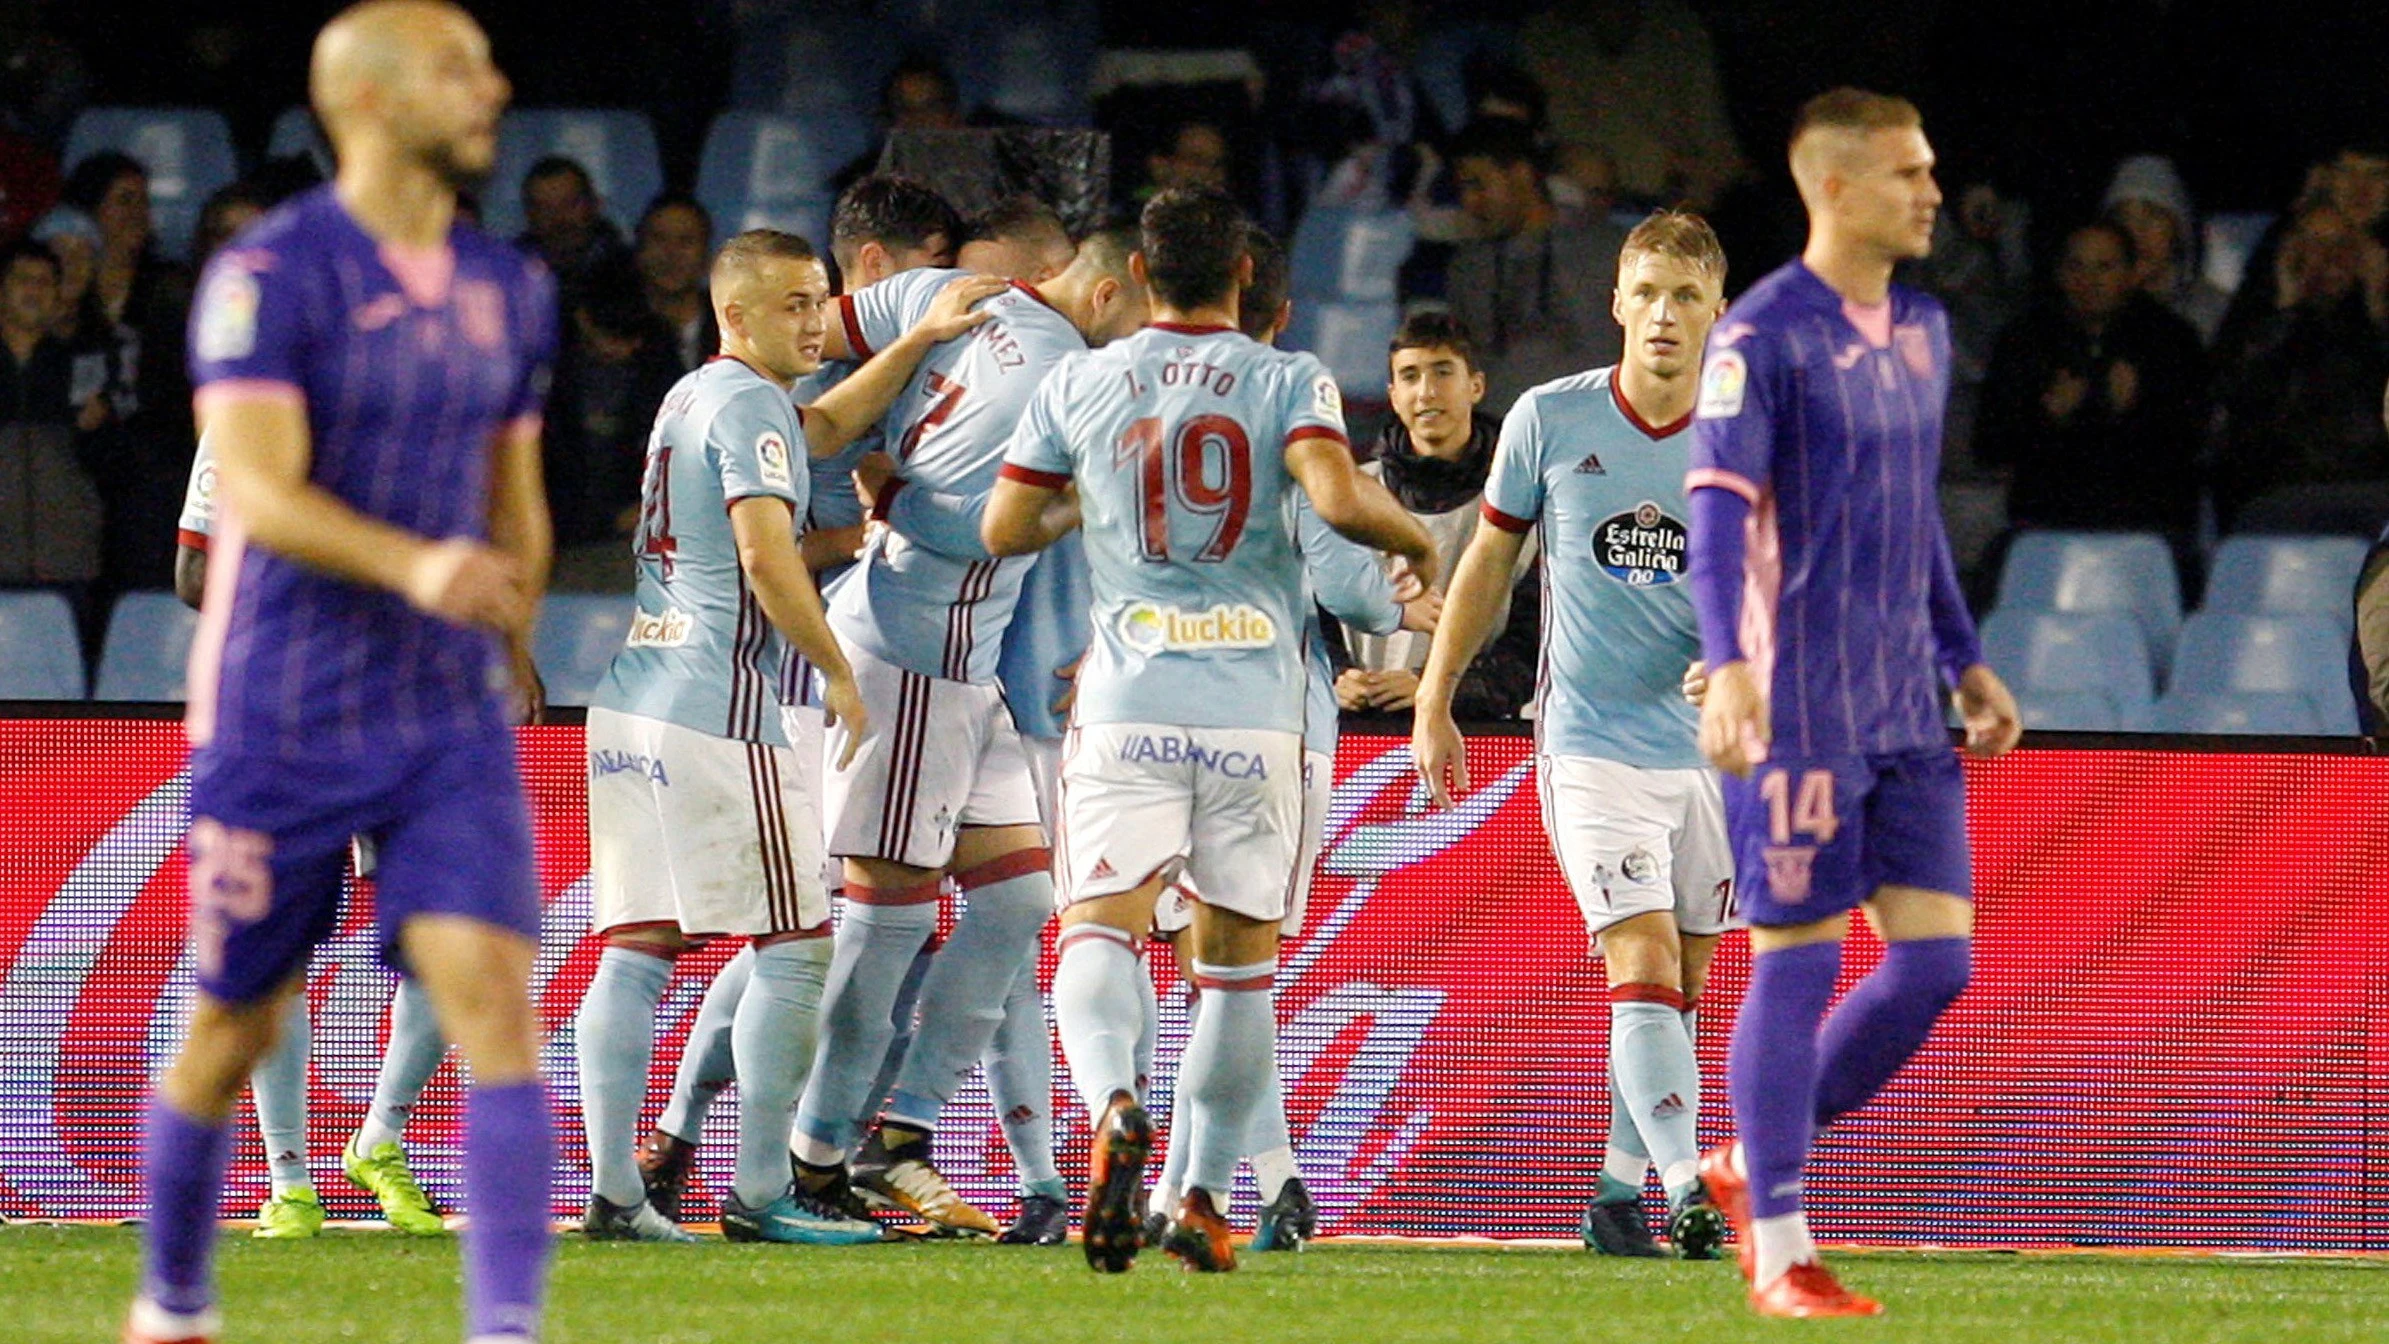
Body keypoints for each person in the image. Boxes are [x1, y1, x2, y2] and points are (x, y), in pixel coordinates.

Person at [124, 4, 562, 1342]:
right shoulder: (272, 272)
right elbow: (256, 487)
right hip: (283, 707)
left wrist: (506, 608)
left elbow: (517, 498)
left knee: (492, 999)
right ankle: (175, 1305)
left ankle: (505, 1328)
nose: (491, 86)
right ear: (365, 101)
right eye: (456, 67)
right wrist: (415, 566)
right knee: (231, 1029)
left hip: (443, 715)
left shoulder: (513, 285)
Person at [981, 185, 1438, 1273]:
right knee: (1236, 970)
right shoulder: (1288, 378)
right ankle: (1196, 1196)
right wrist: (1410, 531)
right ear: (1243, 276)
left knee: (1097, 926)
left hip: (1128, 698)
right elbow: (1335, 500)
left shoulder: (1085, 379)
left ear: (1138, 276)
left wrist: (1086, 499)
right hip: (1257, 714)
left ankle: (1109, 1104)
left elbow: (1003, 527)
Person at [574, 231, 999, 1245]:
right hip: (722, 708)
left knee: (638, 949)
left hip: (634, 692)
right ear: (738, 313)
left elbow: (820, 426)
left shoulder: (696, 394)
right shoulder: (747, 404)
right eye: (797, 304)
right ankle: (762, 1194)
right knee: (799, 950)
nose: (818, 320)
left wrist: (916, 340)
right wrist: (841, 673)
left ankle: (617, 1196)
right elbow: (769, 556)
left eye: (822, 301)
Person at [1680, 88, 2021, 1318]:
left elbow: (1911, 509)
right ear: (1832, 187)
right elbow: (1714, 517)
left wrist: (1962, 657)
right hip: (1796, 708)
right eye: (1905, 173)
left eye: (1928, 169)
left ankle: (1743, 1158)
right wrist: (1726, 666)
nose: (1931, 191)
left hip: (1900, 707)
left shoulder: (1924, 328)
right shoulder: (1759, 337)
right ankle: (1780, 1248)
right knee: (1795, 962)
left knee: (1934, 966)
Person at [783, 220, 1149, 1239]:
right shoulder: (1070, 379)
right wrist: (1076, 505)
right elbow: (966, 523)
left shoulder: (946, 292)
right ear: (1114, 294)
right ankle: (811, 1160)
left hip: (962, 668)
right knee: (884, 923)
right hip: (913, 664)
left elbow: (809, 341)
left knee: (1016, 899)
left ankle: (900, 1134)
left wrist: (872, 456)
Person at [1415, 210, 1738, 1264]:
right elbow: (1486, 569)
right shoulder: (1550, 420)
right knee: (1637, 965)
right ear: (1615, 302)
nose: (1662, 314)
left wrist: (1744, 661)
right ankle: (1692, 1187)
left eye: (1684, 295)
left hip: (1709, 756)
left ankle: (1615, 1194)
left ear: (1715, 311)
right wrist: (1436, 696)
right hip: (1589, 746)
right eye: (1645, 292)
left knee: (1679, 991)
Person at [1139, 222, 1440, 1253]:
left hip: (1140, 705)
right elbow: (1353, 577)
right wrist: (1408, 584)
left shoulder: (1128, 402)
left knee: (1202, 974)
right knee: (1237, 972)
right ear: (1279, 314)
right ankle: (1246, 1181)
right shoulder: (1297, 411)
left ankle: (1223, 1181)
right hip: (1278, 715)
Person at [170, 437, 457, 1243]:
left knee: (448, 931)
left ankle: (381, 1139)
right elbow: (192, 574)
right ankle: (289, 1181)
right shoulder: (245, 418)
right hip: (281, 717)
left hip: (401, 709)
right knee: (277, 951)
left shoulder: (422, 409)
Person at [1332, 310, 1538, 721]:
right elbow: (1311, 614)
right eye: (1410, 376)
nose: (1426, 392)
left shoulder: (1524, 507)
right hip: (1353, 737)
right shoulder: (1348, 496)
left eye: (1442, 372)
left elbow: (1531, 648)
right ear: (1392, 394)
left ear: (1475, 386)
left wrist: (1438, 686)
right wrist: (1335, 676)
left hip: (1476, 741)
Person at [1976, 220, 2208, 549]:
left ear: (2131, 273)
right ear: (2058, 273)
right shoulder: (2026, 338)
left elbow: (2192, 440)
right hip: (2049, 522)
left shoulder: (2171, 339)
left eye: (2104, 267)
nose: (2089, 281)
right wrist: (2048, 415)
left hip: (2146, 525)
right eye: (2076, 266)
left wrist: (2136, 409)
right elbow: (1989, 444)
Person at [2211, 204, 2389, 527]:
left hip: (2370, 488)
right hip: (2281, 490)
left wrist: (2379, 311)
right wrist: (2285, 310)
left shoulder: (2373, 322)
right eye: (2315, 243)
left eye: (2342, 245)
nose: (2330, 257)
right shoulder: (2258, 318)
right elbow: (2235, 399)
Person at [1439, 117, 1629, 415]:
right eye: (1463, 188)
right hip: (1500, 439)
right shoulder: (1469, 267)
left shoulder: (1608, 252)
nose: (1469, 201)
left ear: (1522, 174)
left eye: (1478, 184)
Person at [2102, 155, 2231, 345]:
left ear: (2178, 227)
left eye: (2154, 215)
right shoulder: (2087, 310)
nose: (2136, 232)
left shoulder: (2218, 314)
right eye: (2123, 217)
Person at [515, 155, 631, 309]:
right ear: (529, 215)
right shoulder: (511, 273)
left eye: (570, 204)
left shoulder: (632, 270)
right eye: (545, 209)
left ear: (595, 204)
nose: (560, 218)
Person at [633, 195, 716, 371]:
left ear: (707, 256)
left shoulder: (737, 333)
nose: (671, 254)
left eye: (686, 241)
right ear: (639, 251)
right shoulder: (616, 333)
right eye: (659, 239)